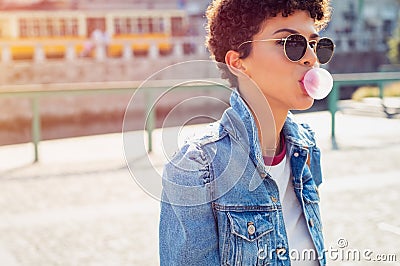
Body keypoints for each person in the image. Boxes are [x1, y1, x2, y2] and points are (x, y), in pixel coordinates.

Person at [159, 0, 334, 265]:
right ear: (238, 62)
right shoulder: (196, 167)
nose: (311, 58)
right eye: (292, 44)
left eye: (316, 44)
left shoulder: (305, 145)